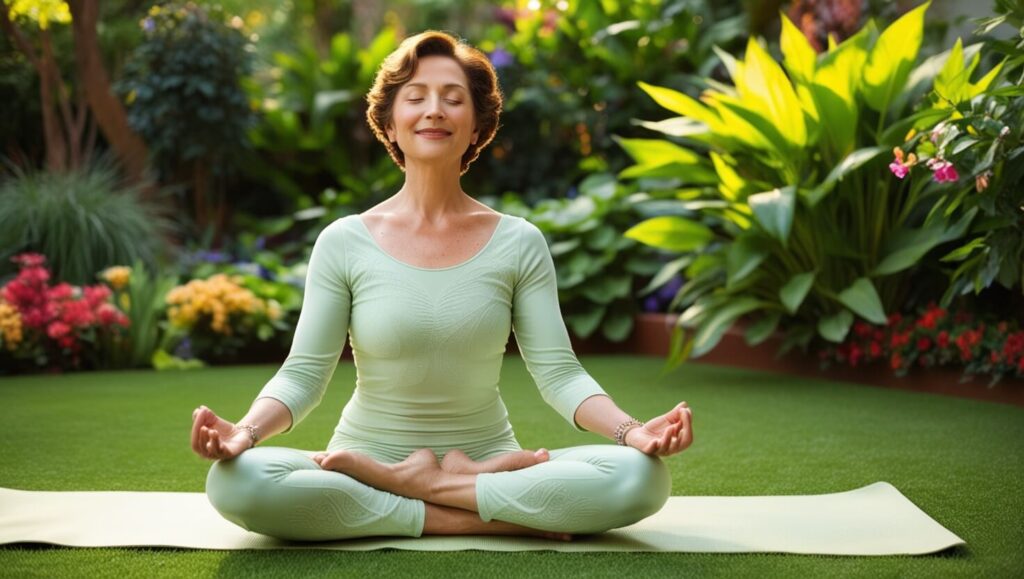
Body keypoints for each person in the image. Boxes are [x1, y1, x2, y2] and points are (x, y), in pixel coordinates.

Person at [191, 30, 694, 542]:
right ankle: (479, 512)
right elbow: (303, 375)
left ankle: (427, 489)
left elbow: (559, 373)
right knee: (238, 482)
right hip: (365, 461)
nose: (434, 110)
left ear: (477, 127)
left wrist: (633, 432)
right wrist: (245, 432)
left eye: (453, 99)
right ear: (389, 121)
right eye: (416, 97)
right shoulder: (344, 241)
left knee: (641, 478)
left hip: (489, 462)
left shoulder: (518, 242)